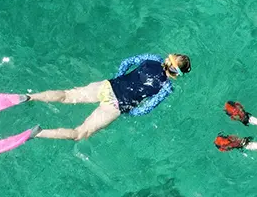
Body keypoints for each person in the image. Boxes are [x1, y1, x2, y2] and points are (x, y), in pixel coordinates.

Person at [22, 53, 189, 141]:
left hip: (108, 86)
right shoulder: (166, 87)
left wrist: (118, 78)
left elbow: (127, 62)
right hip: (116, 106)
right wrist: (129, 111)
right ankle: (38, 133)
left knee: (66, 95)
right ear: (177, 73)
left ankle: (30, 97)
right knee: (80, 133)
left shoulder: (153, 58)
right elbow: (145, 109)